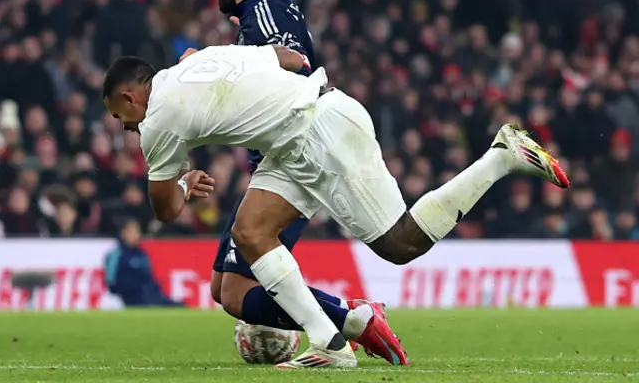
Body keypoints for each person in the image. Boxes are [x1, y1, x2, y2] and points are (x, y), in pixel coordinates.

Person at [102, 43, 569, 368]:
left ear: (129, 96)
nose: (126, 128)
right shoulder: (201, 61)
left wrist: (182, 183)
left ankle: (500, 159)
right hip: (300, 131)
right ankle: (330, 341)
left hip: (316, 135)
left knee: (400, 244)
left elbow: (164, 211)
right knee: (250, 233)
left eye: (120, 118)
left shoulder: (156, 120)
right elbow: (291, 58)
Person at [199, 0, 406, 365]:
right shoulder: (269, 7)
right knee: (224, 289)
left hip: (293, 159)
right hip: (278, 158)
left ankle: (350, 321)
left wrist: (216, 65)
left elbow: (292, 62)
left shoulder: (264, 12)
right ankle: (348, 319)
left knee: (237, 291)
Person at [104, 218, 183, 307]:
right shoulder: (117, 254)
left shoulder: (142, 254)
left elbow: (149, 277)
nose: (135, 235)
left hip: (152, 297)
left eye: (137, 231)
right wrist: (133, 286)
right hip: (134, 299)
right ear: (123, 233)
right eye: (131, 231)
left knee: (180, 307)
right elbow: (112, 283)